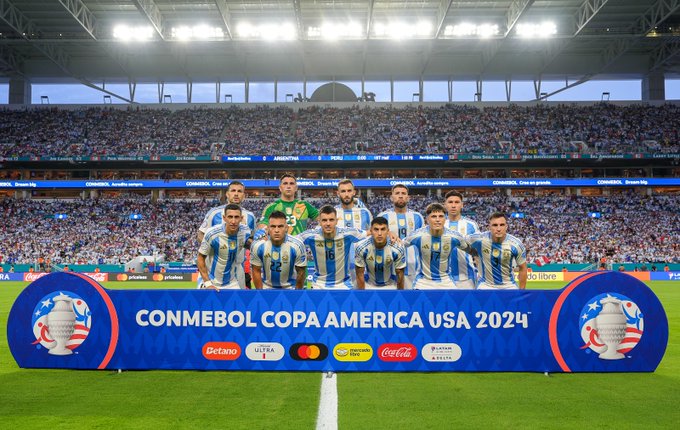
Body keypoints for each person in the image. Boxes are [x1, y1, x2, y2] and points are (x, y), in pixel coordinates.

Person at [403, 203, 469, 290]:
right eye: (434, 216)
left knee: (454, 299)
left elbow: (471, 250)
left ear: (445, 219)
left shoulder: (455, 237)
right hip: (423, 281)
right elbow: (400, 245)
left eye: (441, 216)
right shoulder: (417, 235)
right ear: (427, 219)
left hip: (446, 281)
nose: (438, 220)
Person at [298, 205, 364, 289]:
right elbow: (292, 241)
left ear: (336, 221)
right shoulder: (310, 236)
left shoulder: (347, 234)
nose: (328, 224)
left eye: (331, 220)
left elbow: (370, 234)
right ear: (319, 222)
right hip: (318, 285)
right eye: (324, 220)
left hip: (344, 285)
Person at [377, 184, 425, 288]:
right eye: (397, 193)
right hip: (389, 266)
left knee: (411, 297)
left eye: (403, 193)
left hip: (412, 266)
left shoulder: (417, 217)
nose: (400, 196)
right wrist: (387, 233)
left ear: (408, 198)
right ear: (391, 197)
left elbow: (422, 241)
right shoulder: (383, 216)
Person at [466, 212, 528, 290]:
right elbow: (461, 241)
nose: (498, 229)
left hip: (509, 285)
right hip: (485, 285)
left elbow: (523, 268)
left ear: (506, 227)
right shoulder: (479, 239)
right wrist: (473, 253)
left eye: (502, 225)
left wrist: (521, 292)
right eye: (495, 225)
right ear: (489, 227)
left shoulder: (516, 244)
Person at [197, 204, 252, 290]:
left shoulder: (245, 231)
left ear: (241, 218)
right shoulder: (212, 234)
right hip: (210, 280)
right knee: (205, 299)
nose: (233, 221)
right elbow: (200, 258)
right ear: (224, 218)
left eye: (236, 217)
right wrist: (208, 284)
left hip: (231, 282)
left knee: (240, 299)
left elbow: (249, 244)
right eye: (230, 217)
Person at [250, 211, 307, 290]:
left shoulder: (297, 245)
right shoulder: (258, 245)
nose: (276, 230)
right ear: (268, 228)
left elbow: (301, 273)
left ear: (286, 228)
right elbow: (256, 270)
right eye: (273, 226)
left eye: (280, 226)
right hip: (266, 288)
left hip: (290, 288)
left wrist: (296, 294)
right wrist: (260, 293)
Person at [355, 217, 406, 290]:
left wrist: (399, 295)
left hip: (391, 285)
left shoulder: (397, 248)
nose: (379, 233)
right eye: (376, 229)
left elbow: (400, 276)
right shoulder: (361, 247)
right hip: (368, 284)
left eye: (383, 229)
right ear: (371, 231)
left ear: (388, 231)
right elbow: (359, 275)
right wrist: (363, 295)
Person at [444, 190, 479, 290]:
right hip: (443, 278)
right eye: (450, 202)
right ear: (445, 205)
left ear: (462, 205)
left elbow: (478, 252)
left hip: (466, 278)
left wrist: (481, 273)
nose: (453, 205)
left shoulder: (471, 225)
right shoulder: (439, 223)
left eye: (456, 202)